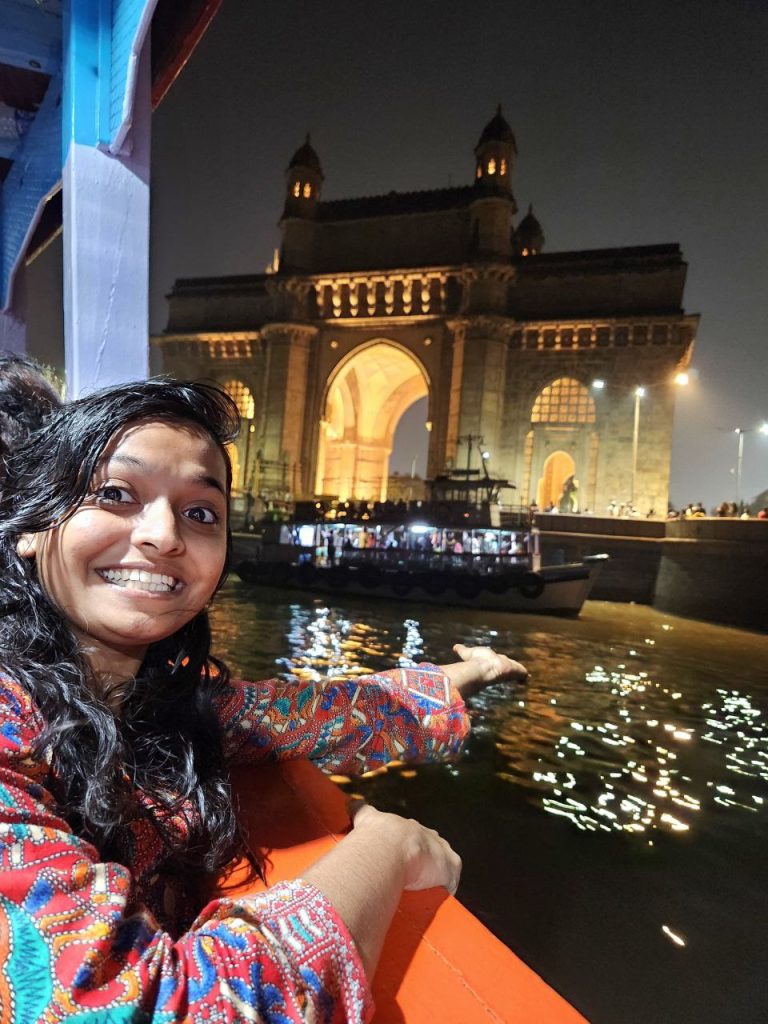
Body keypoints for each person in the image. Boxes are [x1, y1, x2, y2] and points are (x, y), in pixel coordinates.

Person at [0, 377, 526, 1022]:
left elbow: (317, 713)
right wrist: (387, 848)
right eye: (115, 493)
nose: (164, 534)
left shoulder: (148, 704)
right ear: (31, 525)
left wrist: (462, 675)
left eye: (201, 512)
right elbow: (152, 1007)